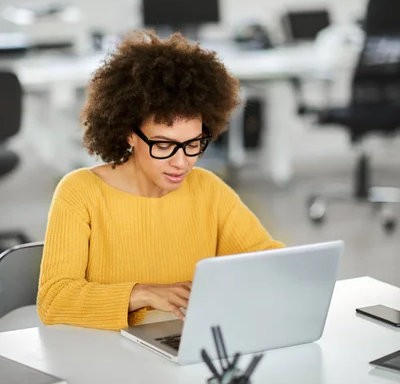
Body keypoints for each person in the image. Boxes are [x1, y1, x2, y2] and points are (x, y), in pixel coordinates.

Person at [38, 31, 284, 330]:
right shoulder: (80, 192)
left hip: (188, 345)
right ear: (129, 133)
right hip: (106, 356)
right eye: (164, 146)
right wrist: (141, 293)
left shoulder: (207, 189)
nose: (182, 162)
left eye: (193, 144)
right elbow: (54, 300)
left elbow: (266, 260)